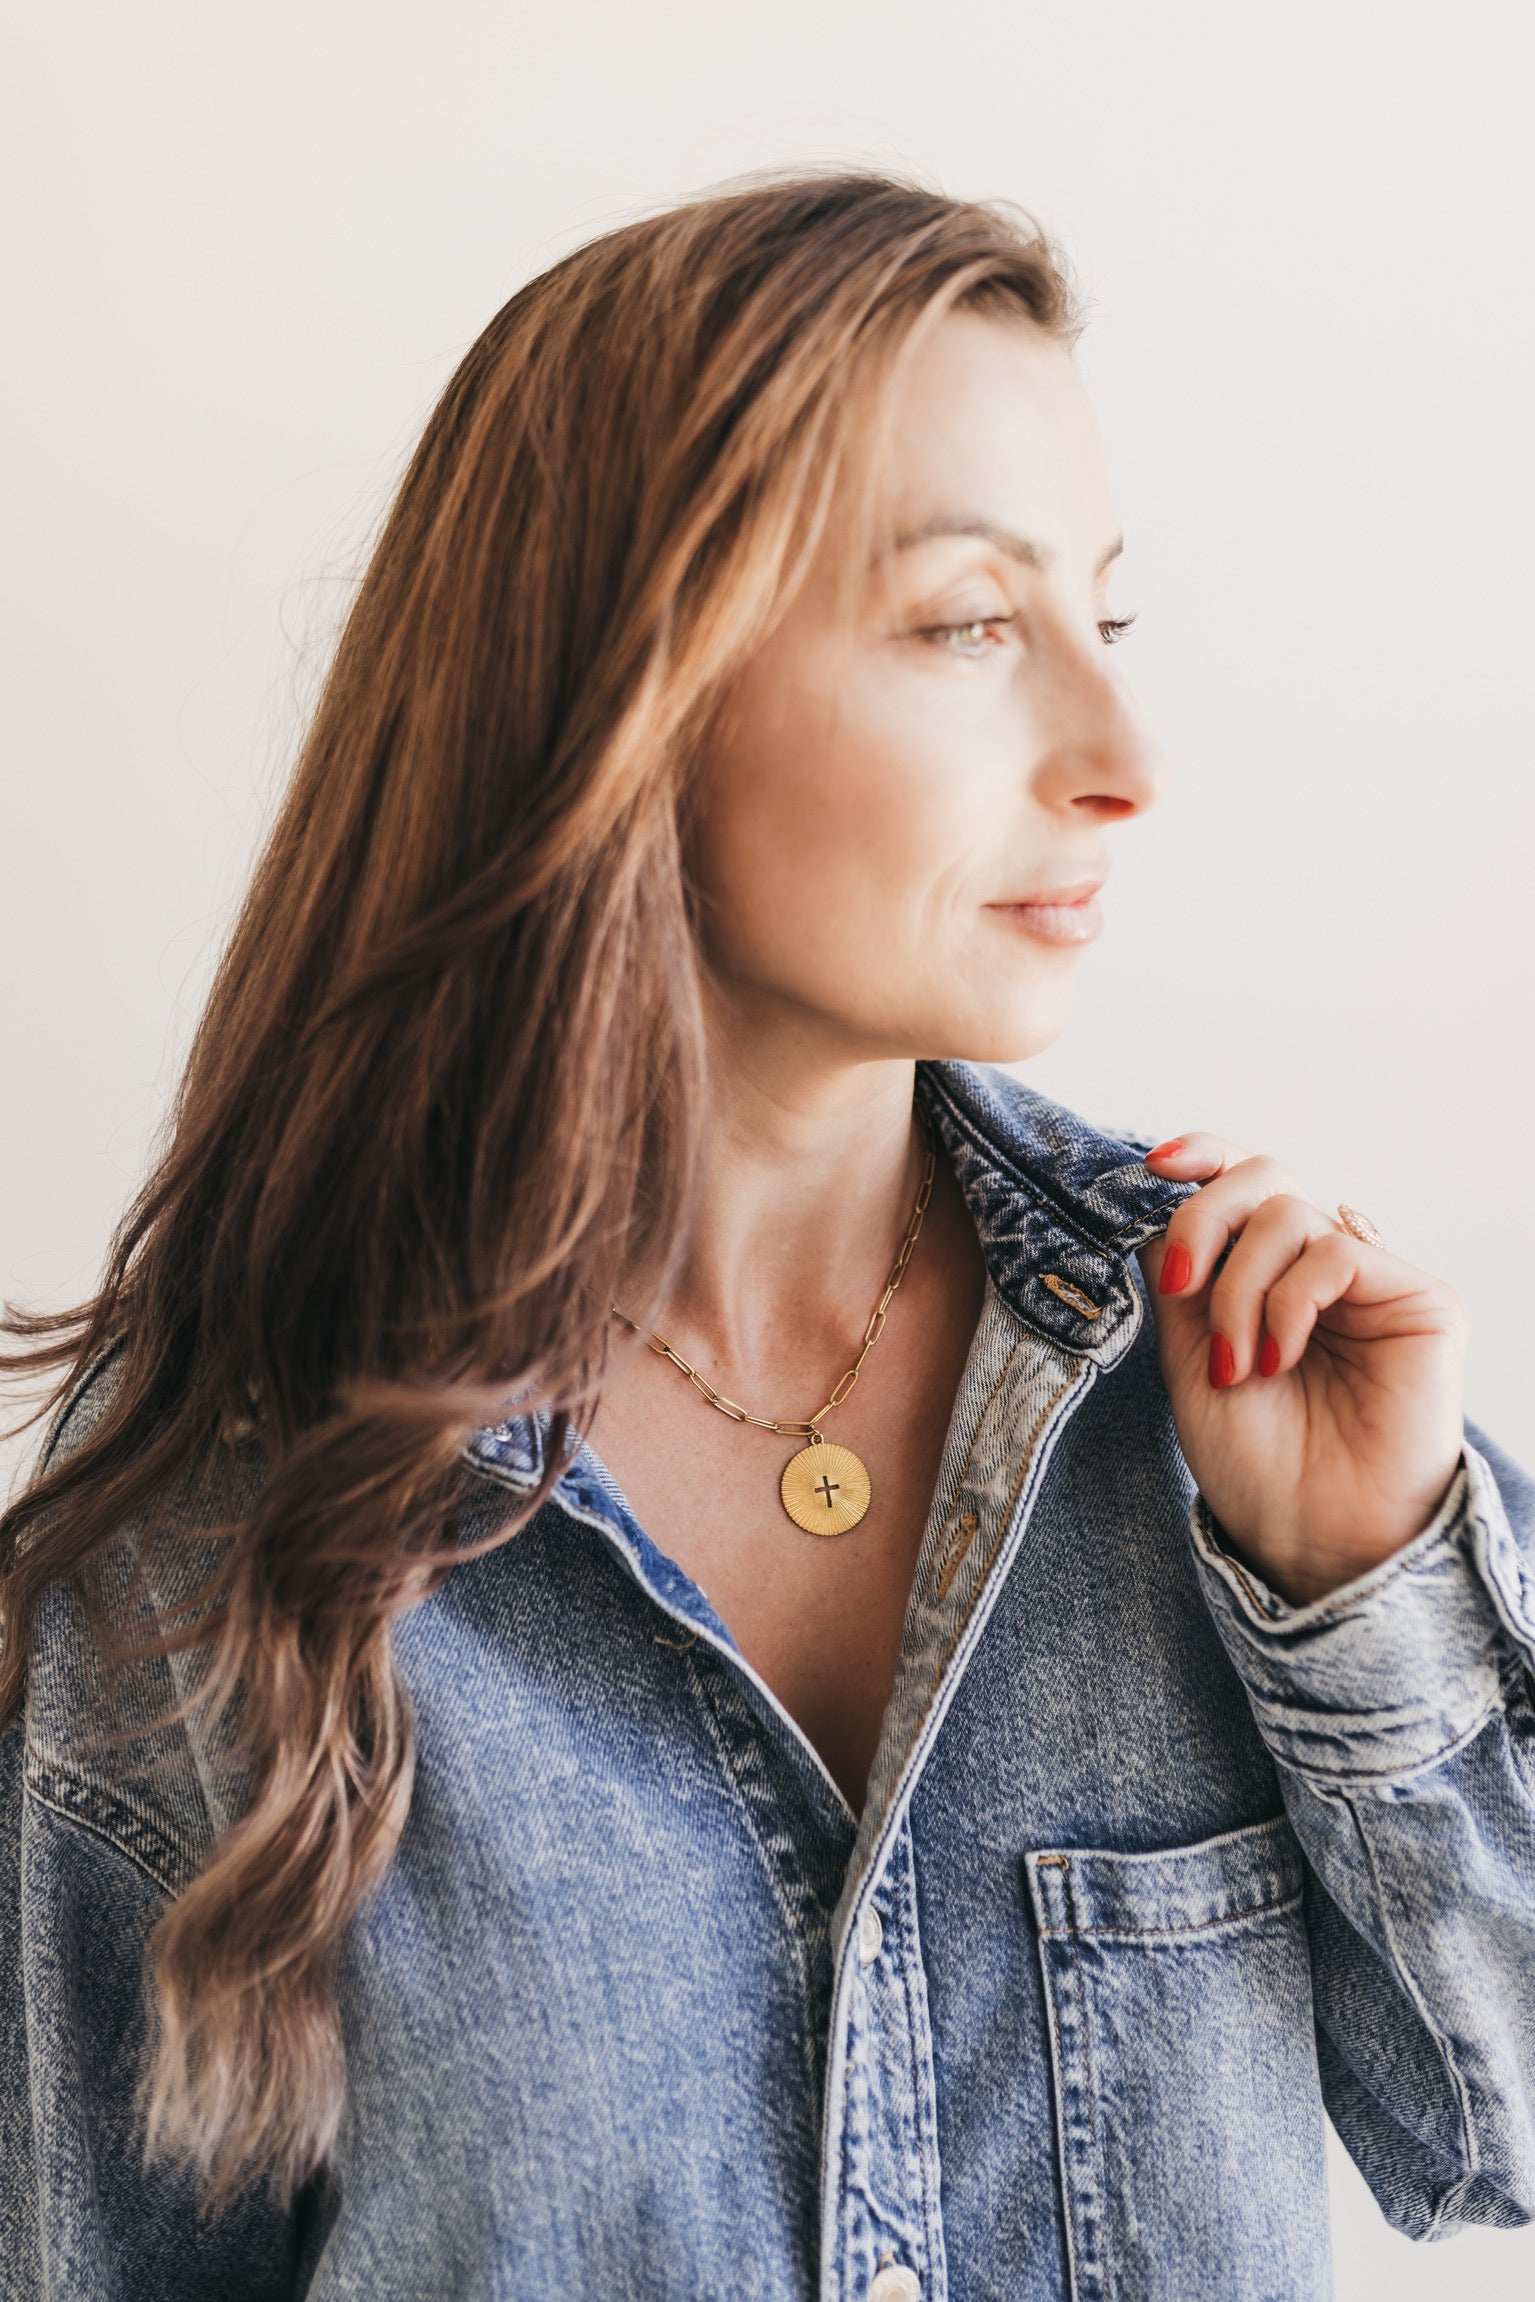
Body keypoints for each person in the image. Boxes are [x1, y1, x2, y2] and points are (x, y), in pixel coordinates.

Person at [2, 172, 1532, 2302]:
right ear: (628, 689)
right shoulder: (209, 1527)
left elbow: (1496, 2137)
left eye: (1106, 623)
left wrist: (1361, 1592)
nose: (1125, 759)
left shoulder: (1226, 1394)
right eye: (969, 625)